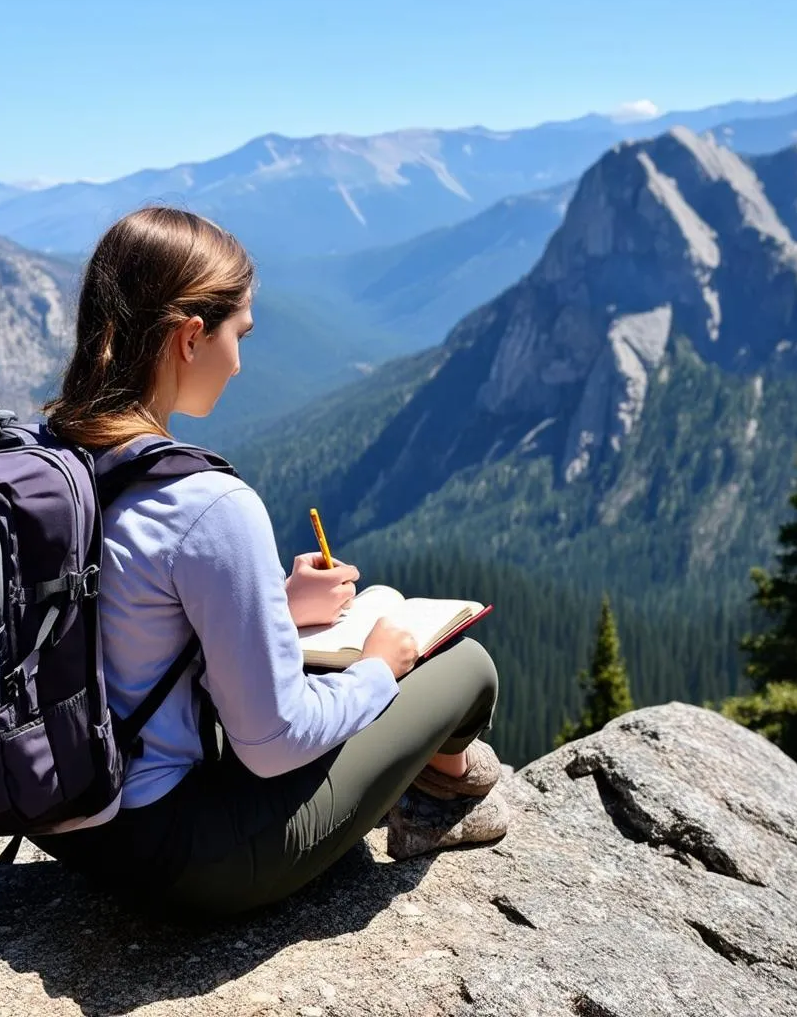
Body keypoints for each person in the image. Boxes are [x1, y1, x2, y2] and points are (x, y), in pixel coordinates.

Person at [30, 206, 509, 919]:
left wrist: (276, 609)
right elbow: (271, 743)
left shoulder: (54, 458)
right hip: (178, 855)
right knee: (468, 670)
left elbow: (119, 624)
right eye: (238, 335)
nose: (242, 360)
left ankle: (431, 786)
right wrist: (382, 666)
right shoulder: (206, 503)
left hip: (64, 821)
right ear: (191, 338)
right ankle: (439, 799)